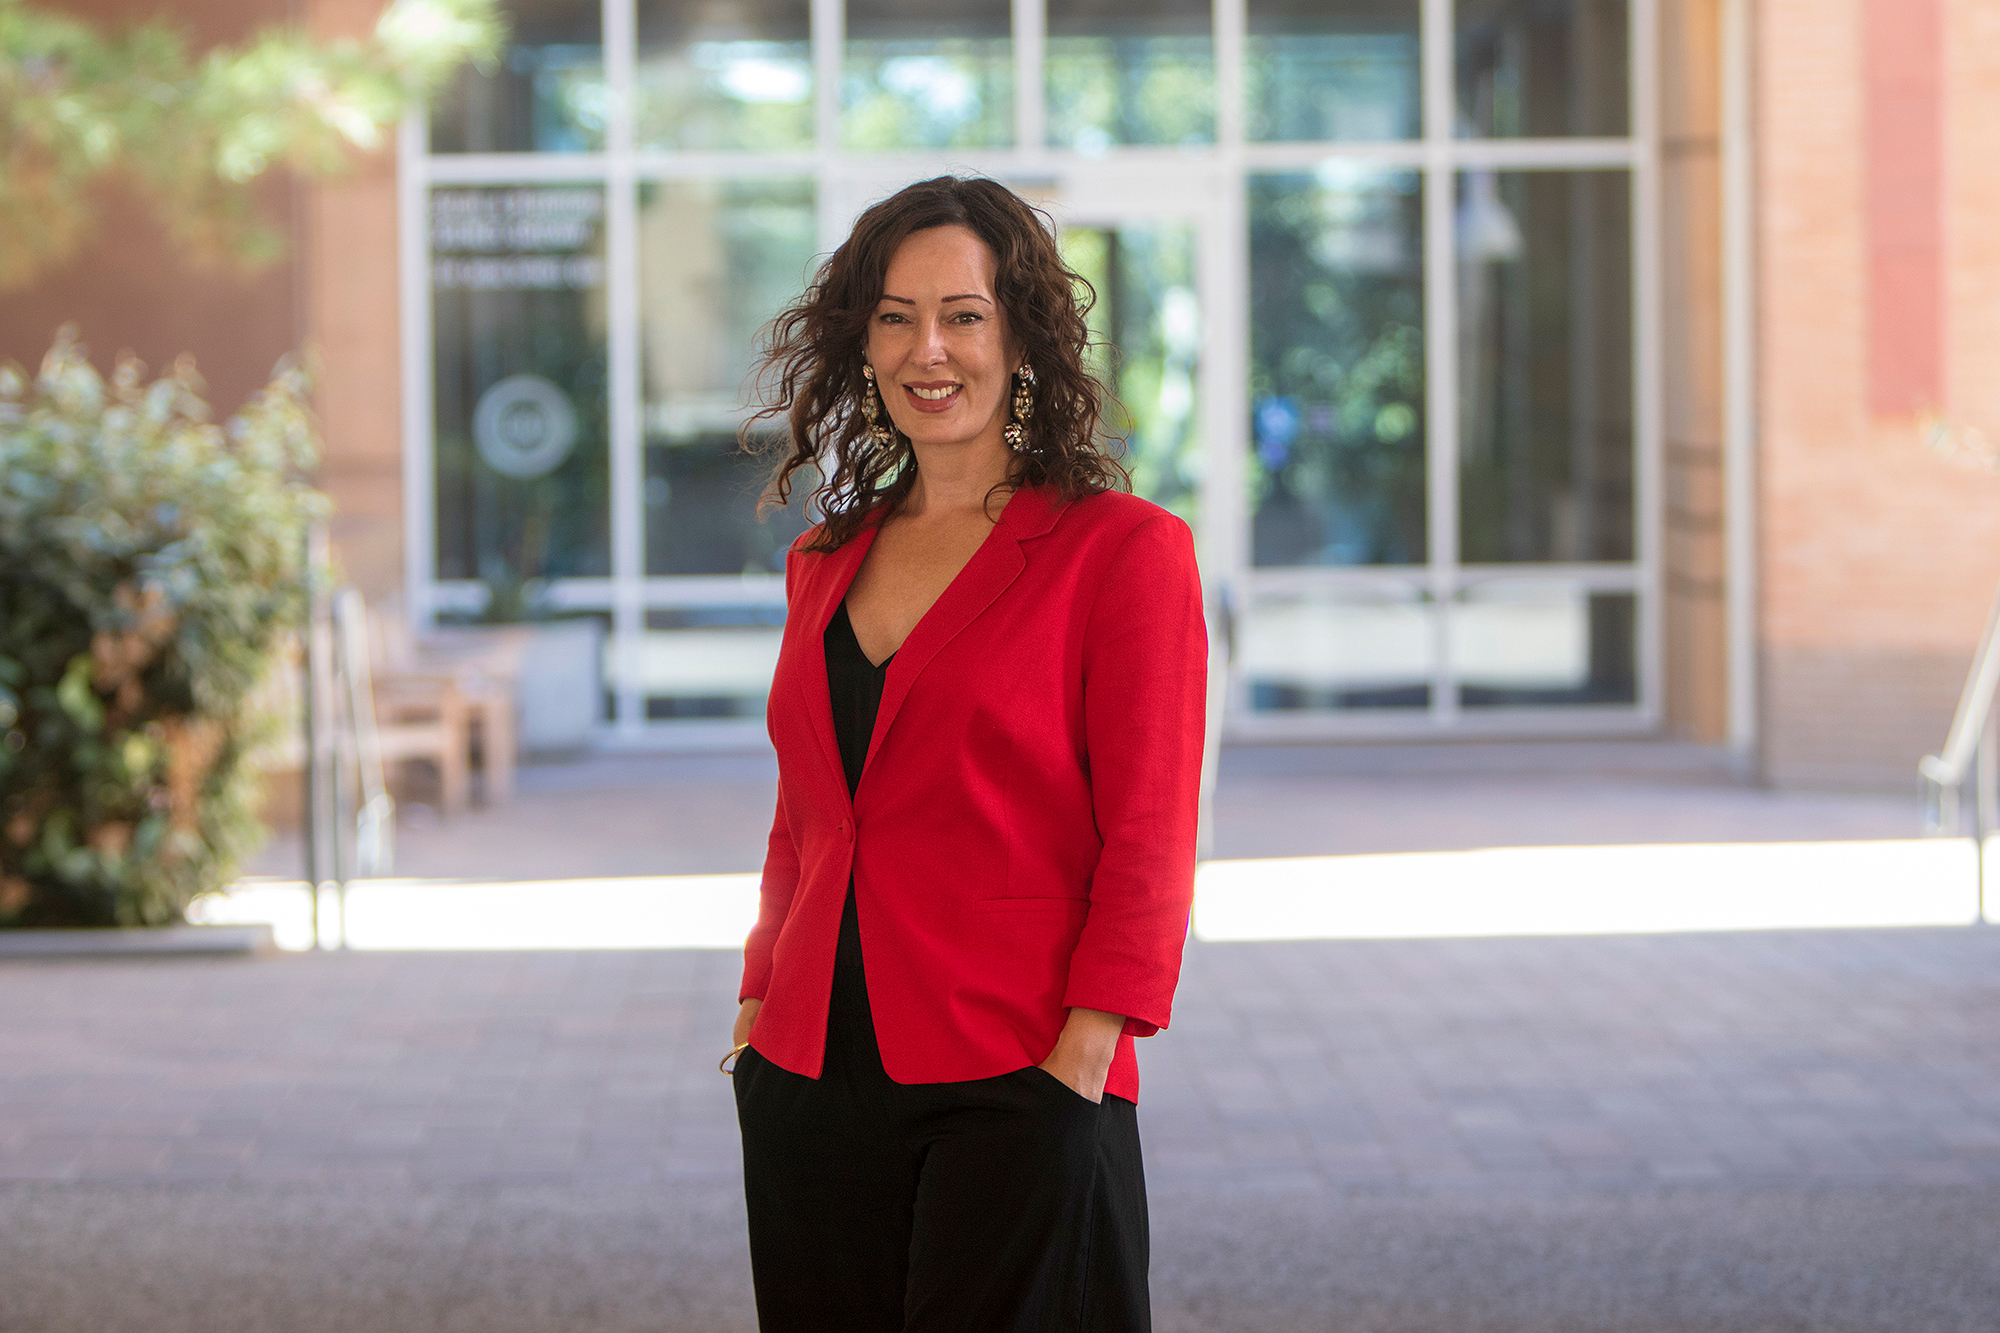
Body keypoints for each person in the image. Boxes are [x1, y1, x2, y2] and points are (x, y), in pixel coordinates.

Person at [725, 174, 1207, 1333]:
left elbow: (1149, 828)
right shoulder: (826, 558)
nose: (925, 349)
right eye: (893, 316)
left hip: (1020, 1064)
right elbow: (805, 812)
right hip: (808, 1065)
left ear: (1020, 334)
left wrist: (1086, 1051)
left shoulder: (1121, 553)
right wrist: (756, 998)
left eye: (962, 314)